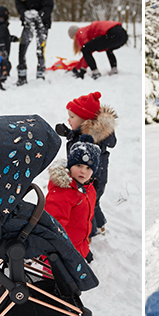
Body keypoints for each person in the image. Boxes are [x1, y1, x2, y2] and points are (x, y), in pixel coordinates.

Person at [55, 91, 117, 238]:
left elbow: (81, 157)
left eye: (72, 117)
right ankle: (101, 225)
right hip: (95, 177)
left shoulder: (88, 142)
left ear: (85, 121)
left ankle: (90, 232)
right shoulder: (92, 134)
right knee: (94, 202)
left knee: (88, 205)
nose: (68, 120)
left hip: (92, 178)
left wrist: (72, 136)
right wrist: (69, 133)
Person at [45, 135, 101, 263]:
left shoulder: (88, 188)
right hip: (62, 251)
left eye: (88, 168)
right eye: (79, 165)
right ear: (70, 165)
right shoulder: (62, 192)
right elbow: (53, 226)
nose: (83, 171)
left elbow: (85, 219)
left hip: (79, 245)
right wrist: (52, 257)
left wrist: (84, 249)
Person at [14, 0, 54, 85]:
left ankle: (40, 75)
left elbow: (48, 6)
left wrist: (39, 14)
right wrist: (25, 13)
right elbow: (19, 4)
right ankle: (22, 75)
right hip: (28, 23)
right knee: (22, 47)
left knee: (40, 49)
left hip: (43, 23)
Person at [0, 6, 18, 89]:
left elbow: (4, 37)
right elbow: (0, 38)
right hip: (1, 51)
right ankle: (1, 78)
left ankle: (2, 76)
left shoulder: (0, 26)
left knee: (3, 63)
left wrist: (11, 38)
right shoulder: (1, 27)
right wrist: (2, 48)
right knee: (4, 64)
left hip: (0, 50)